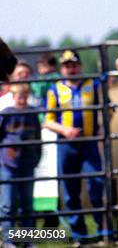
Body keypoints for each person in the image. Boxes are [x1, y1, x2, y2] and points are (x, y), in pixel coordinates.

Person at [43, 50, 105, 244]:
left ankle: (104, 231)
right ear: (62, 68)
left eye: (74, 65)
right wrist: (65, 130)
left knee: (96, 185)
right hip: (66, 145)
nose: (70, 69)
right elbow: (48, 120)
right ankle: (80, 235)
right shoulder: (54, 90)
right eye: (66, 66)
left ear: (80, 66)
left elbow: (105, 111)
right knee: (71, 192)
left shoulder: (93, 86)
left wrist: (102, 130)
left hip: (89, 144)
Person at [0, 83, 42, 248]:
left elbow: (38, 137)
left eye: (25, 96)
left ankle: (27, 239)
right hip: (8, 164)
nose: (22, 99)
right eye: (19, 96)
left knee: (27, 204)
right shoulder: (6, 114)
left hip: (28, 163)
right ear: (13, 96)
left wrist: (37, 157)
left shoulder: (32, 113)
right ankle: (8, 239)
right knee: (8, 204)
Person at [31, 53, 59, 121]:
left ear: (53, 67)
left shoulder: (54, 77)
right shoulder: (43, 78)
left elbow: (39, 90)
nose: (40, 69)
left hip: (49, 110)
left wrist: (32, 84)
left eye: (43, 66)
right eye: (39, 67)